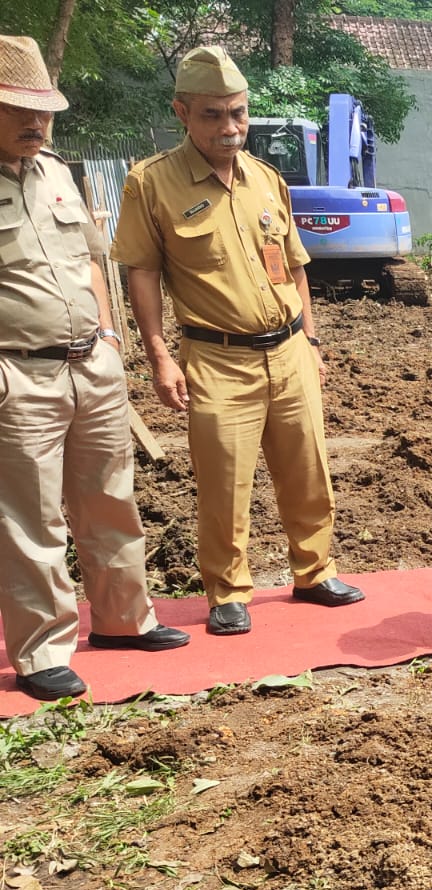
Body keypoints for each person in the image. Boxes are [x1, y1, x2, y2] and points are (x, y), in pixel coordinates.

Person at [113, 46, 364, 638]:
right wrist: (158, 355)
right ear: (181, 112)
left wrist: (312, 341)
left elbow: (295, 265)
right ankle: (227, 590)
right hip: (217, 357)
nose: (229, 128)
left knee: (309, 469)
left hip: (289, 349)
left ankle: (315, 570)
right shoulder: (151, 183)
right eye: (212, 115)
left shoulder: (267, 179)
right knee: (225, 481)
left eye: (238, 113)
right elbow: (141, 272)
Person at [0, 37, 189, 701]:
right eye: (19, 111)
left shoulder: (56, 173)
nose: (36, 123)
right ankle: (42, 651)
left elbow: (88, 262)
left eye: (45, 112)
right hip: (18, 376)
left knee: (110, 497)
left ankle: (122, 619)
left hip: (92, 367)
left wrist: (109, 338)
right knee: (31, 520)